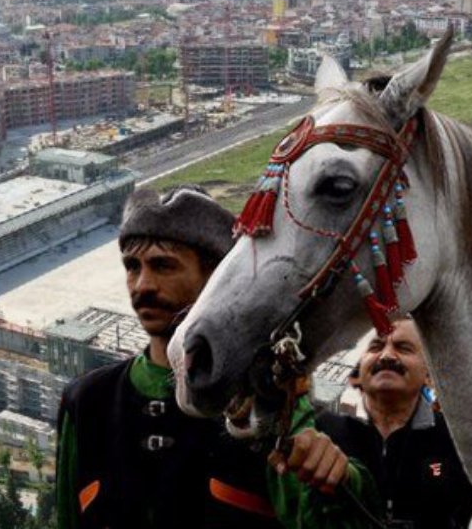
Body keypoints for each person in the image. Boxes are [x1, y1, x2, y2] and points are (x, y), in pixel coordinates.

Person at [55, 185, 378, 529]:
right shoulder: (87, 402)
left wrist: (339, 477)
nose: (142, 285)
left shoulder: (265, 404)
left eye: (163, 266)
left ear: (215, 279)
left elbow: (317, 516)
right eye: (133, 267)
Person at [317, 319, 472, 529]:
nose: (386, 356)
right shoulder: (322, 431)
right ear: (360, 367)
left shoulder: (456, 438)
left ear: (428, 373)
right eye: (376, 347)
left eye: (403, 348)